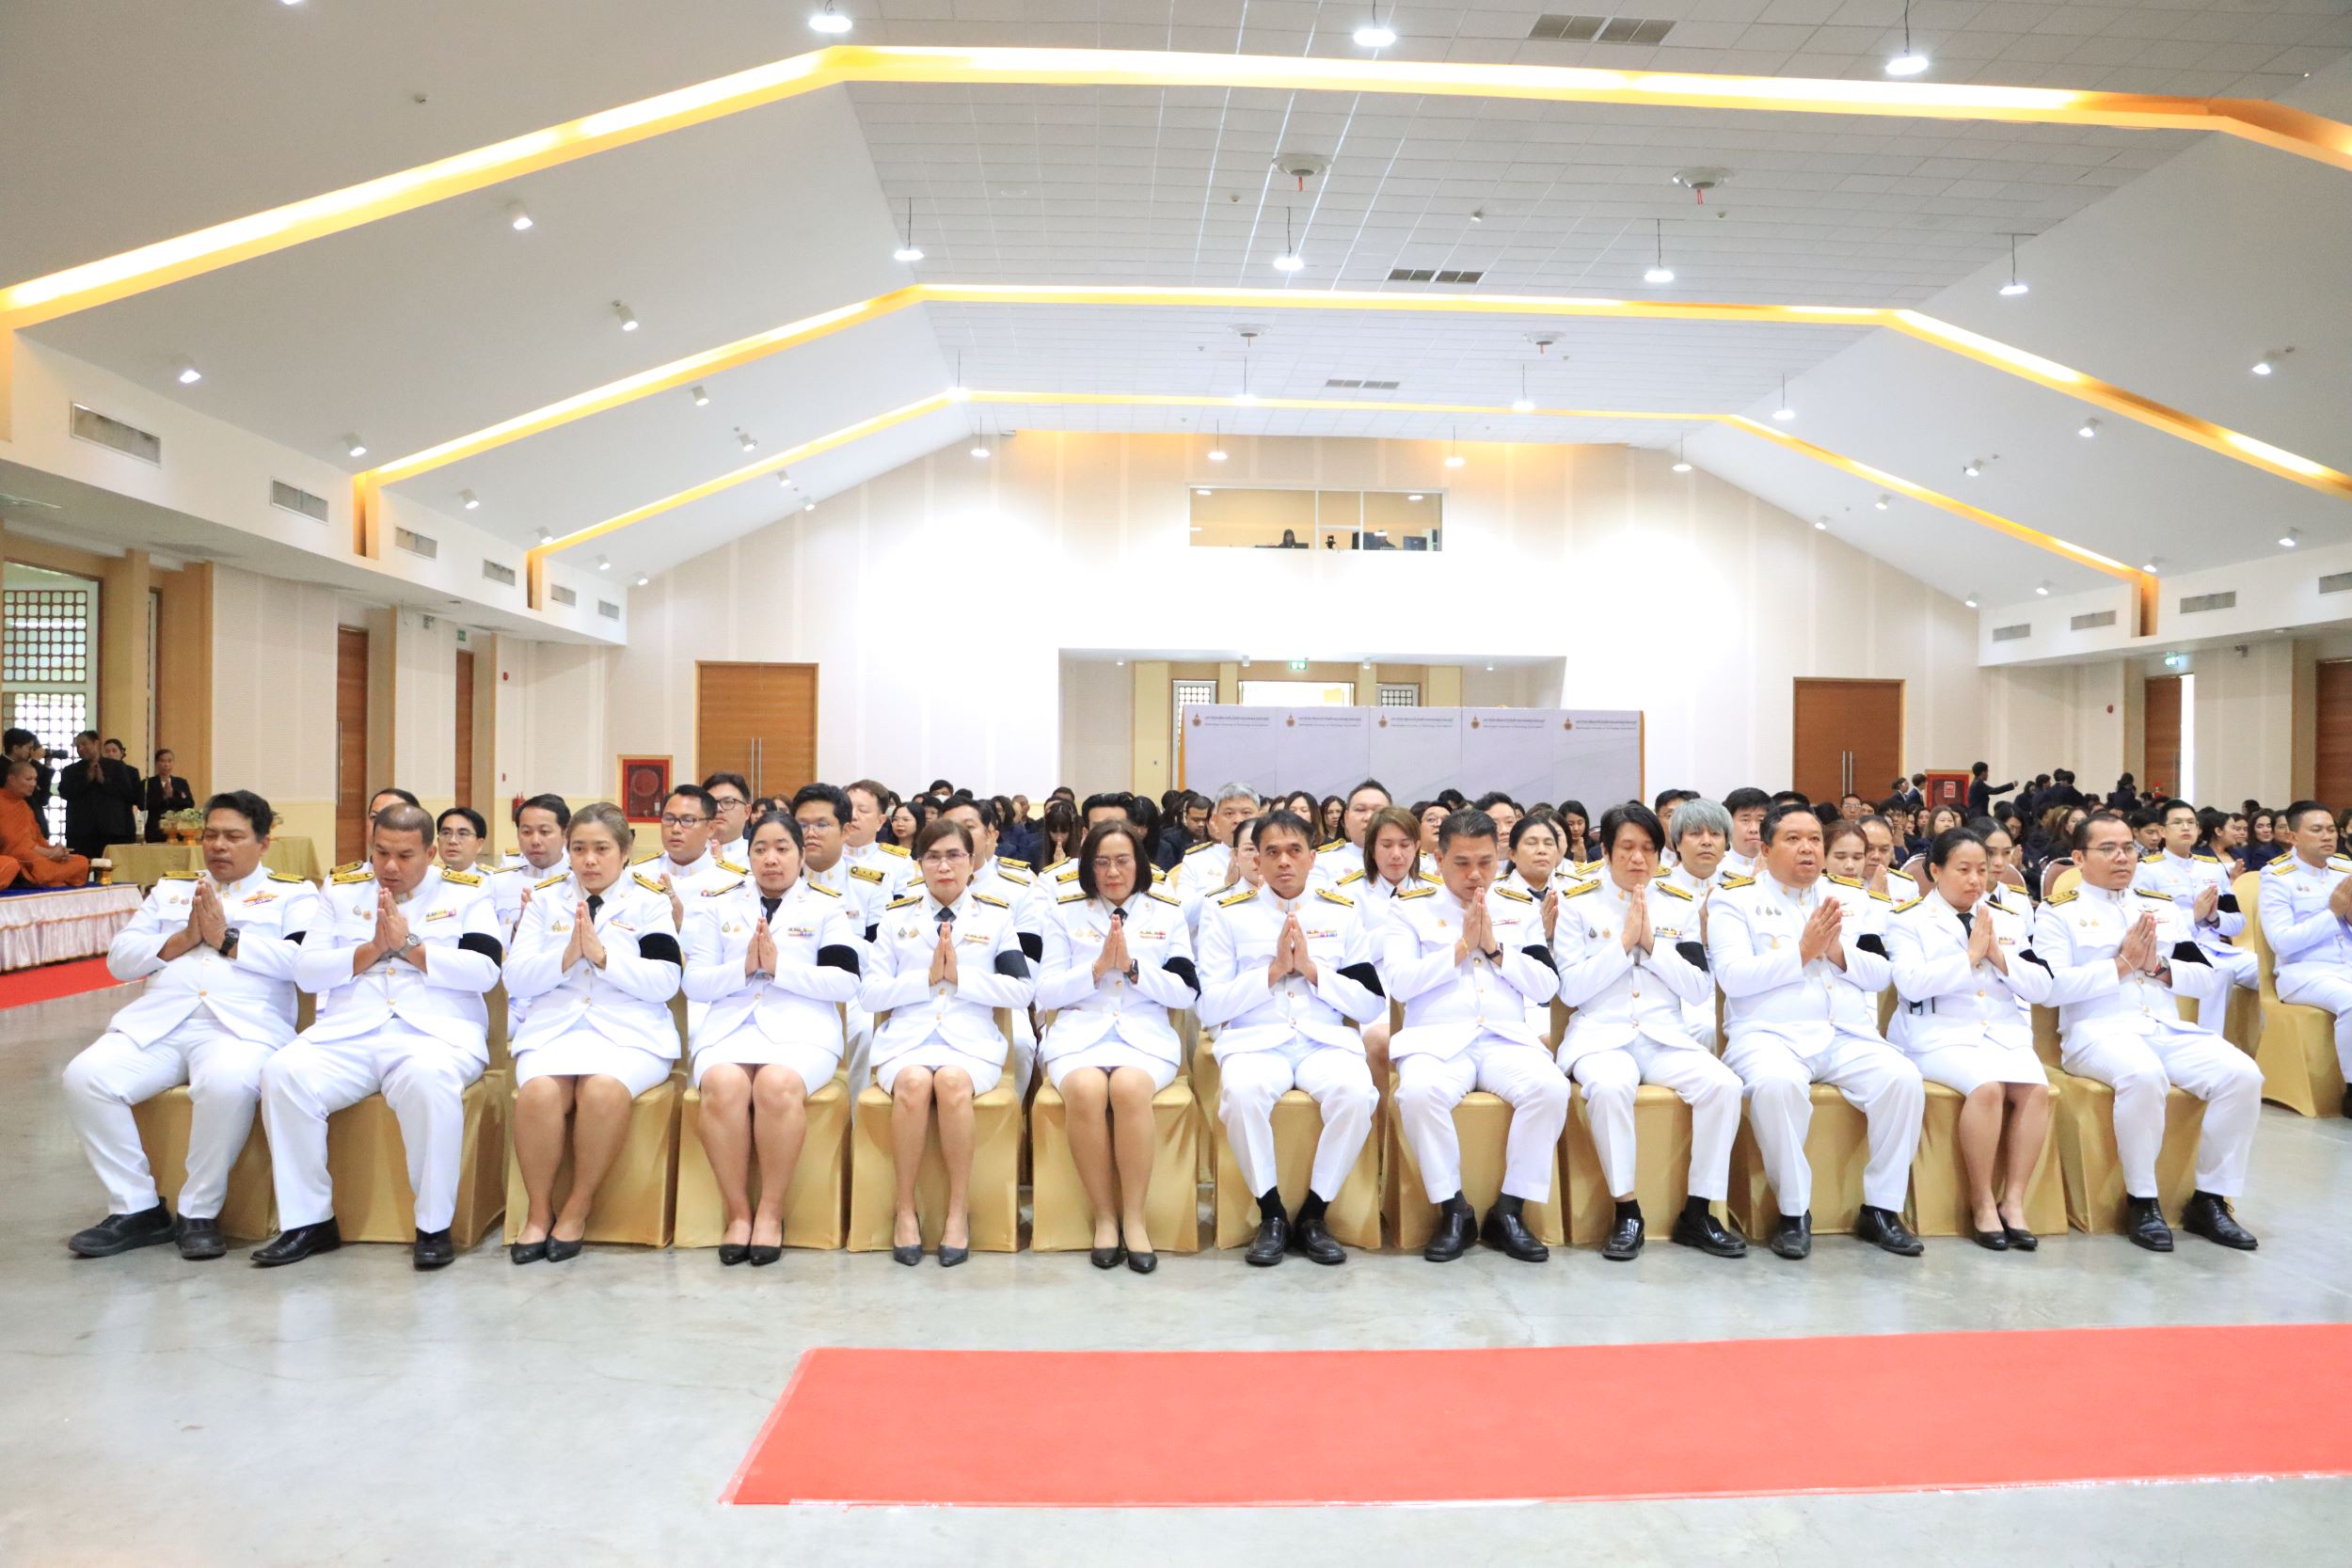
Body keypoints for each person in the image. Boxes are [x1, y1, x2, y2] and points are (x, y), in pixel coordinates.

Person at [61, 791, 311, 1260]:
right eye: (210, 835)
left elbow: (302, 963)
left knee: (227, 1084)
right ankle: (137, 1207)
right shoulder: (172, 890)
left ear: (263, 843)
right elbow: (120, 958)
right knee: (85, 1078)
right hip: (160, 1026)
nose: (218, 846)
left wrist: (226, 939)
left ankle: (199, 1212)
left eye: (233, 836)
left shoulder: (293, 894)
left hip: (240, 1030)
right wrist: (183, 938)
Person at [256, 803, 503, 1270]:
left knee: (428, 1081)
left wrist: (409, 947)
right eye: (381, 852)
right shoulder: (341, 890)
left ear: (431, 853)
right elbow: (307, 971)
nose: (390, 866)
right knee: (283, 1073)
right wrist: (372, 949)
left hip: (435, 1032)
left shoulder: (468, 892)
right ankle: (308, 1221)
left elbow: (485, 970)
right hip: (351, 1031)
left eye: (405, 856)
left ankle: (433, 1227)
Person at [1707, 803, 1927, 1260]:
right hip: (1768, 1035)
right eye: (1793, 839)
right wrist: (1802, 952)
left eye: (1814, 840)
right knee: (1777, 1086)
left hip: (1844, 1034)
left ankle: (1882, 1209)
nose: (1807, 848)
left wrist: (1837, 951)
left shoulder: (1852, 898)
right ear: (1766, 850)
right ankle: (1793, 1213)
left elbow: (1881, 974)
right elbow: (1732, 977)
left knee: (1902, 1078)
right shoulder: (1734, 900)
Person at [2033, 812, 2261, 1250]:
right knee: (2143, 1074)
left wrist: (2157, 967)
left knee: (2242, 1075)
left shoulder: (2161, 908)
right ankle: (2143, 1200)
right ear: (2079, 858)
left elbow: (2205, 977)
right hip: (2097, 1033)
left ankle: (2211, 1199)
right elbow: (2051, 988)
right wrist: (2121, 965)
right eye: (2108, 849)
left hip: (2163, 1027)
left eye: (2128, 849)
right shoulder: (2058, 913)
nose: (2122, 858)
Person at [1550, 803, 1746, 1261]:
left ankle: (1699, 1212)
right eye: (1626, 848)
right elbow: (1571, 989)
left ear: (1661, 854)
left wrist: (1652, 945)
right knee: (1609, 1087)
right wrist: (1623, 944)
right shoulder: (1576, 903)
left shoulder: (1680, 904)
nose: (1638, 858)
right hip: (1600, 1036)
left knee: (1724, 1086)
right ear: (1605, 851)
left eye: (1648, 849)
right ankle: (1627, 1211)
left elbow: (1697, 988)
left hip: (1664, 1037)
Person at [1380, 806, 1568, 1263]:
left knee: (1551, 1088)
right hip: (1437, 1043)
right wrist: (1462, 947)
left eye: (1485, 862)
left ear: (1499, 858)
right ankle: (1454, 1210)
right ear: (1438, 859)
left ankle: (1510, 1209)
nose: (1475, 874)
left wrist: (1496, 950)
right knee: (1417, 1095)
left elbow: (1546, 986)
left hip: (1505, 1040)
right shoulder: (1409, 909)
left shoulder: (1519, 908)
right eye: (1461, 863)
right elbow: (1400, 984)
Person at [1197, 808, 1384, 1267]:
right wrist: (1274, 971)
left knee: (1356, 1094)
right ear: (1256, 860)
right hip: (1255, 1042)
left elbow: (1369, 1005)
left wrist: (1314, 972)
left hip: (1324, 1042)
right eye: (1272, 852)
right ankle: (1272, 1214)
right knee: (1241, 1094)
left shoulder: (1342, 912)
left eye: (1294, 851)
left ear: (1312, 858)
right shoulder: (1226, 914)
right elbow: (1209, 1007)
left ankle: (1315, 1214)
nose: (1284, 861)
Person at [502, 801, 685, 1264]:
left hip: (630, 1032)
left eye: (601, 849)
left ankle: (577, 1207)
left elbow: (665, 980)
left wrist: (604, 958)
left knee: (602, 1090)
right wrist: (565, 957)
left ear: (625, 851)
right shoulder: (545, 900)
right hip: (555, 1028)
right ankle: (538, 1212)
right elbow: (516, 978)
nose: (589, 860)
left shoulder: (649, 902)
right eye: (579, 848)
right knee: (539, 1093)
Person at [681, 809, 862, 1265]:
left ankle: (770, 1212)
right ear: (748, 856)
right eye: (760, 849)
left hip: (803, 1032)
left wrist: (780, 968)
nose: (771, 859)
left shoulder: (826, 907)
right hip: (730, 1028)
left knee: (776, 1085)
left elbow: (845, 982)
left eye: (782, 848)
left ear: (801, 855)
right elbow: (694, 982)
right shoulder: (719, 905)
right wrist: (743, 968)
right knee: (723, 1084)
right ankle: (738, 1213)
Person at [860, 816, 1033, 1266]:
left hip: (971, 1044)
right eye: (933, 857)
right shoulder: (895, 918)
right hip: (908, 1042)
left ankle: (958, 1211)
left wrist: (960, 978)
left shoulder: (995, 918)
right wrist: (925, 979)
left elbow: (1021, 991)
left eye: (954, 856)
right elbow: (870, 994)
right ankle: (905, 1210)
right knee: (914, 1083)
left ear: (971, 862)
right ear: (919, 864)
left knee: (953, 1082)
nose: (944, 866)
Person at [1035, 819, 1200, 1273]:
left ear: (1139, 863)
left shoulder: (1166, 912)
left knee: (1129, 1088)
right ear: (1088, 867)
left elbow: (1186, 992)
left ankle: (1135, 1219)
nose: (1112, 872)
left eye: (1123, 861)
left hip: (1145, 1037)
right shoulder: (1064, 912)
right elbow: (1045, 991)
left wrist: (1131, 968)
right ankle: (1105, 1218)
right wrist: (1095, 969)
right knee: (1086, 1090)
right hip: (1079, 1035)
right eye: (1102, 862)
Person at [1886, 828, 2058, 1250]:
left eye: (1982, 870)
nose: (1975, 880)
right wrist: (1969, 957)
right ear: (1935, 871)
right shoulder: (1907, 920)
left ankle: (2013, 1201)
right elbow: (1911, 984)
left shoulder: (2007, 918)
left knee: (2035, 1090)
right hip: (1937, 1034)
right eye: (1963, 870)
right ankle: (1982, 1203)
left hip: (2001, 1031)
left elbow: (2042, 987)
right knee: (1987, 1088)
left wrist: (1998, 955)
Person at [2258, 801, 2352, 1116]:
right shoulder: (2277, 876)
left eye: (2331, 830)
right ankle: (2351, 1090)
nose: (2328, 836)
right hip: (2304, 973)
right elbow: (2282, 943)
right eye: (2317, 830)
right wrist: (2333, 913)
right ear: (2293, 836)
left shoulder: (2345, 869)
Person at [2132, 797, 2258, 997]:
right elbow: (2148, 926)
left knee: (2267, 971)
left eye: (2191, 822)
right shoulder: (2147, 870)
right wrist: (2194, 916)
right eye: (2177, 822)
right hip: (2177, 950)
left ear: (2198, 830)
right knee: (2220, 973)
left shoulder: (2213, 868)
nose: (2185, 827)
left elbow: (2237, 923)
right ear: (2162, 831)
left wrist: (2214, 918)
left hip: (2216, 948)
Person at [490, 794, 570, 938]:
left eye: (544, 832)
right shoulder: (498, 882)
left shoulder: (580, 880)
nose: (535, 841)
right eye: (526, 832)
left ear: (565, 834)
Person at [2, 756, 89, 886]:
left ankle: (53, 878)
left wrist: (55, 850)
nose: (33, 784)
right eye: (28, 779)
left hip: (35, 854)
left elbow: (38, 837)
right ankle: (52, 878)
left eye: (35, 779)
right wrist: (48, 853)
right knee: (27, 861)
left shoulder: (24, 806)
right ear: (11, 779)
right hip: (17, 856)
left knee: (81, 861)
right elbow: (13, 841)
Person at [57, 729, 139, 861]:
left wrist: (104, 781)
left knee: (112, 868)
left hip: (111, 831)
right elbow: (65, 793)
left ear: (96, 743)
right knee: (82, 867)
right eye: (78, 746)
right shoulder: (71, 770)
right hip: (81, 832)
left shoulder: (117, 767)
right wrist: (87, 779)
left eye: (84, 744)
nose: (80, 749)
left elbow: (128, 794)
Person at [843, 778, 914, 897]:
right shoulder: (824, 855)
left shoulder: (898, 862)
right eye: (848, 809)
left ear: (880, 822)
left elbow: (905, 906)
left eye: (863, 810)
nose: (853, 816)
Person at [1314, 779, 1391, 884]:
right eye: (1360, 810)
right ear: (1346, 818)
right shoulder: (1322, 862)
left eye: (1378, 811)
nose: (1369, 817)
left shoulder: (1411, 862)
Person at [4, 727, 56, 824]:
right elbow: (25, 794)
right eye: (29, 748)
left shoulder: (32, 765)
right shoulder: (3, 767)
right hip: (14, 822)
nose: (31, 752)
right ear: (16, 748)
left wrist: (48, 765)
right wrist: (34, 761)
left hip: (34, 823)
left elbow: (43, 799)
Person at [140, 750, 196, 842]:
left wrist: (172, 797)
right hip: (156, 829)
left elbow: (190, 803)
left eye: (169, 761)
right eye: (162, 761)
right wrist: (163, 797)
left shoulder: (181, 782)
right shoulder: (148, 783)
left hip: (178, 829)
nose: (166, 764)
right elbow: (142, 805)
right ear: (156, 763)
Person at [1720, 787, 1771, 879]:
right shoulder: (1715, 867)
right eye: (1745, 820)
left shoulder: (1782, 866)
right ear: (1728, 823)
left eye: (1760, 820)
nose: (1754, 829)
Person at [699, 771, 752, 861]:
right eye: (711, 803)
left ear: (747, 812)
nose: (718, 809)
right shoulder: (687, 854)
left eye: (728, 802)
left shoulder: (758, 857)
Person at [434, 806, 489, 874]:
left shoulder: (490, 879)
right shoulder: (425, 877)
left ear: (479, 844)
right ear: (438, 841)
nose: (452, 841)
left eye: (462, 834)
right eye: (446, 833)